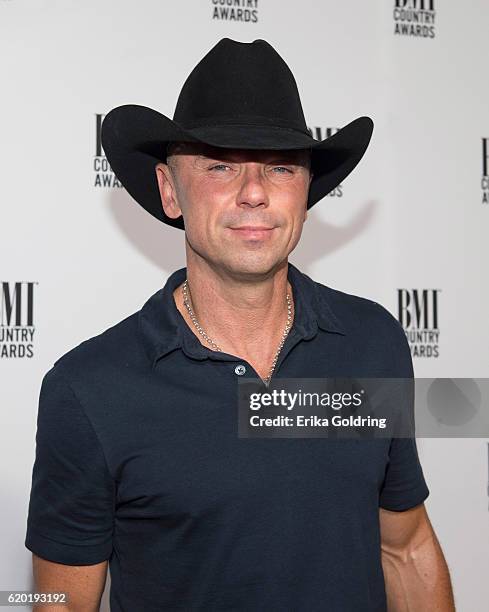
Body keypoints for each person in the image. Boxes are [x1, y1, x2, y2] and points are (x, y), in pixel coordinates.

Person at [25, 38, 455, 611]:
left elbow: (405, 548)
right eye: (219, 165)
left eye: (280, 167)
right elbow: (60, 603)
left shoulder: (373, 342)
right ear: (168, 191)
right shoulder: (89, 390)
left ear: (306, 193)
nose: (254, 192)